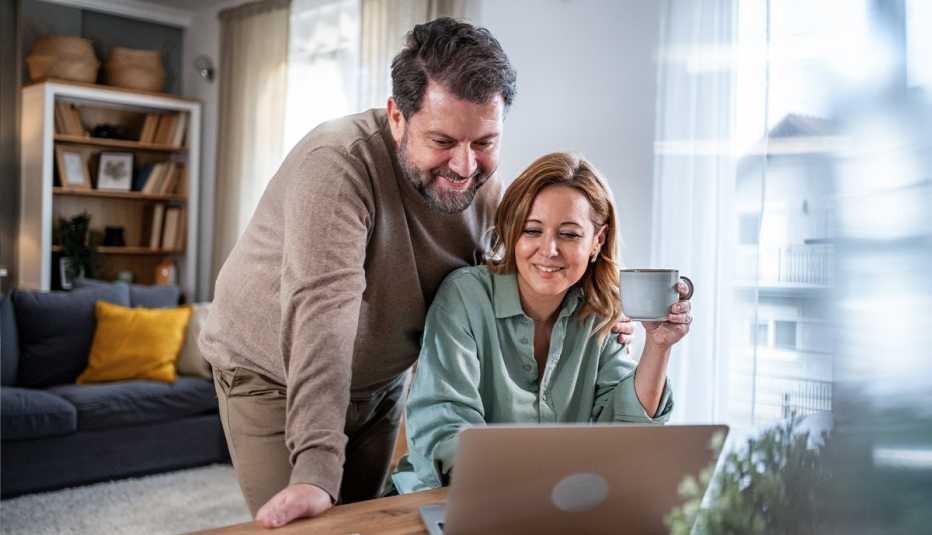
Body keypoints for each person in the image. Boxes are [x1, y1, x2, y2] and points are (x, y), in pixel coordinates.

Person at [199, 18, 636, 529]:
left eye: (484, 143)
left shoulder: (481, 190)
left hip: (380, 385)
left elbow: (536, 262)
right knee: (309, 524)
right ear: (397, 118)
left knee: (368, 523)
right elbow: (322, 318)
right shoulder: (338, 165)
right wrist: (316, 471)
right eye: (444, 140)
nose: (465, 166)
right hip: (274, 374)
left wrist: (604, 312)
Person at [392, 152, 693, 493]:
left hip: (553, 507)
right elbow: (445, 430)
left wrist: (659, 345)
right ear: (512, 232)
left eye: (569, 234)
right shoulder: (465, 297)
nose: (548, 249)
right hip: (453, 498)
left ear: (597, 241)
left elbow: (625, 435)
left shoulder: (598, 313)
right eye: (532, 230)